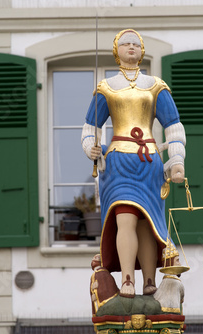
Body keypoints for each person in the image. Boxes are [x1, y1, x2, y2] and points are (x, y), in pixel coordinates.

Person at [81, 29, 186, 298]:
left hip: (148, 161)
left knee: (146, 223)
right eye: (125, 44)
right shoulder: (106, 87)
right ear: (117, 52)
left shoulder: (155, 86)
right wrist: (90, 148)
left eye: (135, 44)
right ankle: (128, 279)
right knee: (125, 217)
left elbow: (173, 126)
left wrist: (176, 160)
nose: (131, 47)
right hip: (118, 163)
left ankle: (149, 280)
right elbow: (90, 127)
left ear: (142, 51)